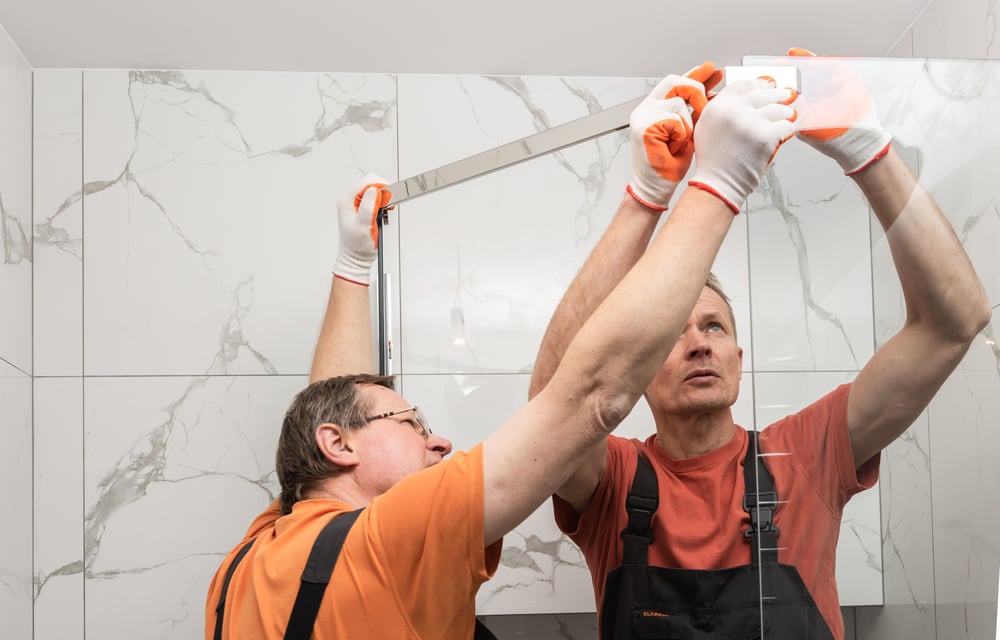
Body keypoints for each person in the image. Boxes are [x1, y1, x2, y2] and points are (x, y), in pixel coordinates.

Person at [204, 63, 800, 639]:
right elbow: (591, 395)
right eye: (412, 423)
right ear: (336, 447)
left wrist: (352, 267)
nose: (438, 441)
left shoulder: (258, 551)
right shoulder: (395, 536)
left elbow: (329, 411)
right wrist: (717, 179)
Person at [528, 49, 992, 640]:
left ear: (738, 361)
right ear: (638, 369)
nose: (698, 345)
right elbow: (547, 413)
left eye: (714, 327)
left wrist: (868, 149)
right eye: (672, 334)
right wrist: (644, 197)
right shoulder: (613, 478)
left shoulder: (806, 453)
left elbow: (954, 322)